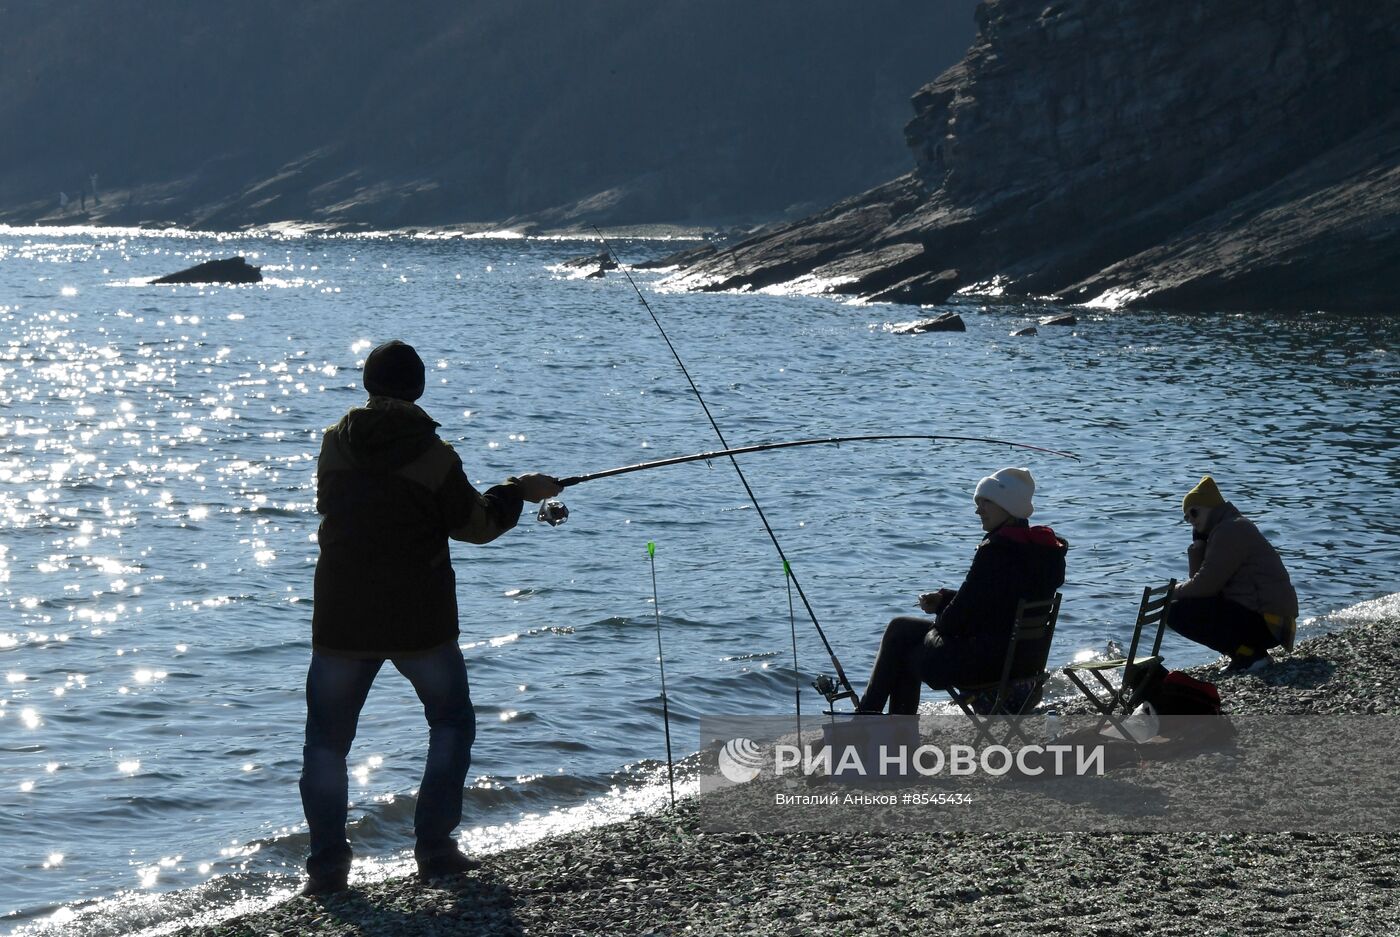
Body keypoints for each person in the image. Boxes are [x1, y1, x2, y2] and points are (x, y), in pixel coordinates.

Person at [299, 339, 561, 896]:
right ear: (418, 389)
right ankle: (436, 851)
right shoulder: (435, 456)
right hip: (420, 619)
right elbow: (478, 526)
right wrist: (517, 490)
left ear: (368, 384)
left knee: (326, 745)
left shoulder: (332, 446)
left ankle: (326, 870)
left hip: (342, 618)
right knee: (450, 723)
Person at [857, 467, 1068, 714]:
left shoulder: (996, 551)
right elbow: (997, 603)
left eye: (985, 502)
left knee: (901, 640)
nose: (978, 510)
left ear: (1007, 505)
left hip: (985, 665)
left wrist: (942, 610)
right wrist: (946, 599)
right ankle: (880, 728)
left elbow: (953, 622)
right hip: (1021, 664)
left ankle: (871, 724)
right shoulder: (1043, 552)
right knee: (902, 632)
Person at [1166, 475, 1298, 674]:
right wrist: (1198, 547)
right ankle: (1246, 653)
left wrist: (1175, 592)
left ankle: (1251, 655)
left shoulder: (1230, 530)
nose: (1191, 520)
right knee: (1186, 606)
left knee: (1174, 612)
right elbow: (1202, 587)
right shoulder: (1226, 528)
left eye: (1194, 512)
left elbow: (1205, 585)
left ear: (1211, 507)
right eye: (1187, 518)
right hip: (1269, 618)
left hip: (1269, 620)